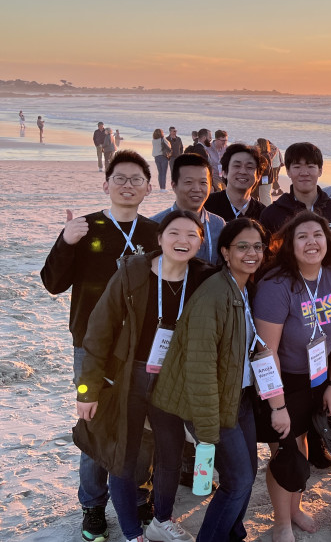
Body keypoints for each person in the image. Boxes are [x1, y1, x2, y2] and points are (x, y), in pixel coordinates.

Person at [75, 210, 215, 542]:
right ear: (159, 239)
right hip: (132, 376)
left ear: (201, 242)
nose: (182, 241)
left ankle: (161, 520)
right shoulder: (132, 273)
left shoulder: (204, 279)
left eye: (191, 235)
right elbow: (99, 331)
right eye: (174, 234)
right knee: (124, 453)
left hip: (173, 380)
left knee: (171, 451)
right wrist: (88, 389)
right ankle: (131, 533)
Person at [40, 150, 158, 542]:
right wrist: (64, 241)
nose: (128, 185)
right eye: (120, 179)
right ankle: (92, 505)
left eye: (136, 179)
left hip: (140, 349)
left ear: (148, 187)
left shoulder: (154, 234)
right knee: (94, 426)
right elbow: (53, 283)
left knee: (141, 428)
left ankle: (139, 495)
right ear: (105, 185)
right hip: (90, 349)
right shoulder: (85, 228)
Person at [152, 218, 267, 542]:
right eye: (242, 246)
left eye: (257, 246)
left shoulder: (244, 289)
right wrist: (206, 431)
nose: (252, 253)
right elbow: (199, 370)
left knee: (247, 474)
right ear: (225, 252)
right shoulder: (214, 295)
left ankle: (232, 533)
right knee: (238, 480)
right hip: (213, 405)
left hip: (239, 397)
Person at [254, 211, 331, 542]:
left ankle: (294, 509)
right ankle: (282, 521)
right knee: (287, 453)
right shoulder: (277, 284)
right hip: (283, 381)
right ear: (289, 244)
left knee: (306, 450)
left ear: (328, 240)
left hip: (320, 378)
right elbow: (266, 354)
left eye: (318, 235)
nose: (312, 242)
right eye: (302, 236)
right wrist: (277, 405)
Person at [260, 142, 331, 254]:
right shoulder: (271, 214)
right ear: (288, 171)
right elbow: (266, 258)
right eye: (297, 167)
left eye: (310, 166)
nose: (304, 173)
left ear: (320, 170)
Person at [151, 153, 227, 266]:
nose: (197, 189)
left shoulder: (218, 224)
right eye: (188, 182)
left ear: (210, 186)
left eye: (203, 183)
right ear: (174, 186)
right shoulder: (155, 224)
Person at [204, 143, 266, 221]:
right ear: (224, 172)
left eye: (249, 167)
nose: (243, 171)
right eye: (237, 166)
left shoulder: (264, 214)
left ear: (258, 176)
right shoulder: (206, 205)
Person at [255, 138, 275, 206]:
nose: (256, 145)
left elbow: (266, 170)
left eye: (257, 144)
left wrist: (257, 172)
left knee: (265, 198)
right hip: (266, 180)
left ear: (261, 145)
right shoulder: (265, 154)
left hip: (265, 181)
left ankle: (267, 213)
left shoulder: (264, 155)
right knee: (264, 197)